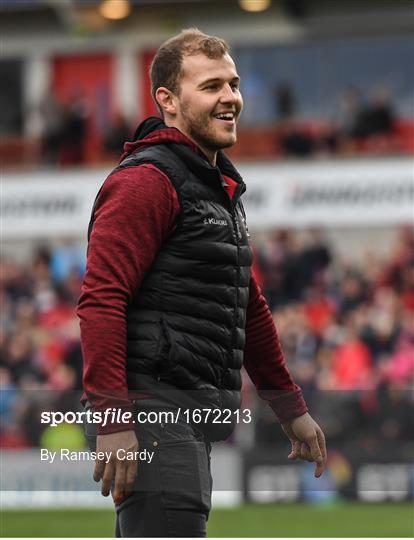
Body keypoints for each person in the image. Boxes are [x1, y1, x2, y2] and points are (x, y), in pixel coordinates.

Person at [77, 28, 327, 538]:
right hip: (155, 414)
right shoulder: (146, 182)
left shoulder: (215, 187)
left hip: (185, 417)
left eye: (233, 84)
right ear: (168, 101)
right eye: (211, 86)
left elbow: (245, 302)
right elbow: (101, 299)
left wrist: (289, 406)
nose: (231, 97)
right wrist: (114, 420)